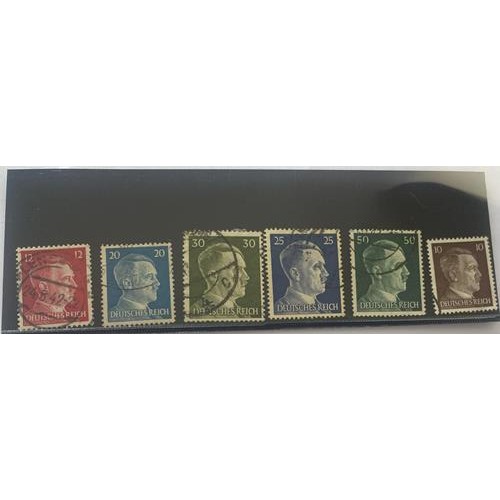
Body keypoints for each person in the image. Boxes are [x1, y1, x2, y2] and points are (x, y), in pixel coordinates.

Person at [190, 242, 249, 316]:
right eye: (236, 269)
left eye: (243, 269)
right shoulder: (197, 315)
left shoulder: (244, 314)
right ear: (213, 276)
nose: (246, 277)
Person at [275, 240, 329, 311]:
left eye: (323, 266)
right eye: (317, 266)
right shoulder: (281, 311)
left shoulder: (324, 310)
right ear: (295, 274)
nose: (326, 273)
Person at [358, 239, 410, 310]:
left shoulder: (404, 306)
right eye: (398, 266)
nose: (407, 272)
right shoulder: (364, 309)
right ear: (377, 273)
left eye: (404, 265)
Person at [110, 253, 160, 318]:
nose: (157, 283)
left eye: (155, 276)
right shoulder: (112, 318)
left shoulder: (157, 318)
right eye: (149, 277)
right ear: (127, 284)